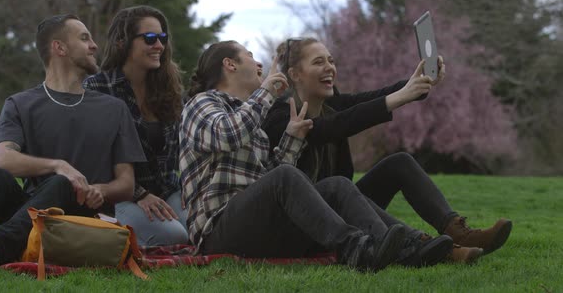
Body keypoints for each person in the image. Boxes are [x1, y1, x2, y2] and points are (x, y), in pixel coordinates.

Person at [179, 40, 457, 273]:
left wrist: (292, 140)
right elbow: (228, 136)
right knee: (287, 176)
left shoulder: (254, 120)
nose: (260, 65)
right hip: (218, 230)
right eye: (251, 57)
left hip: (256, 226)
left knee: (337, 185)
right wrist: (265, 93)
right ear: (230, 65)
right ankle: (353, 248)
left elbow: (273, 181)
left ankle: (399, 247)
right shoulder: (202, 104)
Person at [262, 37, 511, 261]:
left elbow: (370, 100)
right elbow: (334, 126)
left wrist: (417, 84)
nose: (330, 67)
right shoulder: (280, 117)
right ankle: (426, 247)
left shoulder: (331, 105)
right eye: (318, 62)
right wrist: (400, 97)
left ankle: (457, 232)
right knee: (339, 184)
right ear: (295, 74)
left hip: (340, 205)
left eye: (331, 60)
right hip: (307, 225)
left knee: (399, 163)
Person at [0, 14, 146, 268]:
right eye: (84, 38)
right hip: (31, 216)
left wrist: (98, 190)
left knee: (63, 184)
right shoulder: (20, 103)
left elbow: (126, 184)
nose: (94, 45)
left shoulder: (114, 109)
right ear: (60, 47)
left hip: (83, 220)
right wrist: (58, 165)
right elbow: (3, 159)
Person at [84, 6, 188, 246]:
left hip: (167, 189)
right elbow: (96, 158)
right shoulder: (96, 89)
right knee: (174, 236)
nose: (159, 46)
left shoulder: (169, 89)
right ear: (123, 42)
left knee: (200, 227)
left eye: (162, 38)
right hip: (120, 196)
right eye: (150, 38)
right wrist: (138, 193)